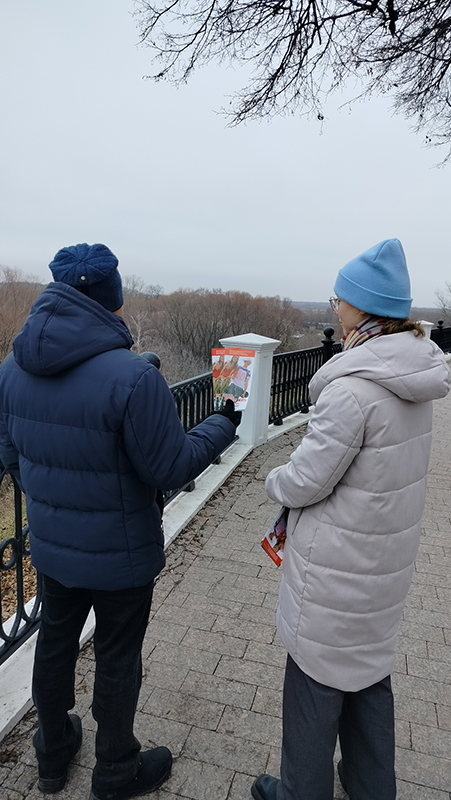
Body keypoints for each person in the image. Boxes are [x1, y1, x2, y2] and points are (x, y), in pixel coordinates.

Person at [0, 243, 241, 800]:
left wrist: (56, 499)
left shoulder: (12, 369)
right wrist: (221, 423)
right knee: (116, 655)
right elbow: (170, 467)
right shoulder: (133, 378)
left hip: (54, 546)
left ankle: (52, 753)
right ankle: (114, 769)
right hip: (121, 555)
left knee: (54, 643)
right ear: (112, 301)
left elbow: (12, 458)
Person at [251, 239, 450, 800]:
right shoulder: (412, 376)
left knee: (314, 689)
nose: (335, 307)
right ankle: (370, 787)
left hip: (335, 574)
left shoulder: (352, 391)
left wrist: (273, 479)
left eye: (339, 298)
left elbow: (306, 480)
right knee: (367, 680)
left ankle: (299, 792)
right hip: (382, 567)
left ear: (362, 307)